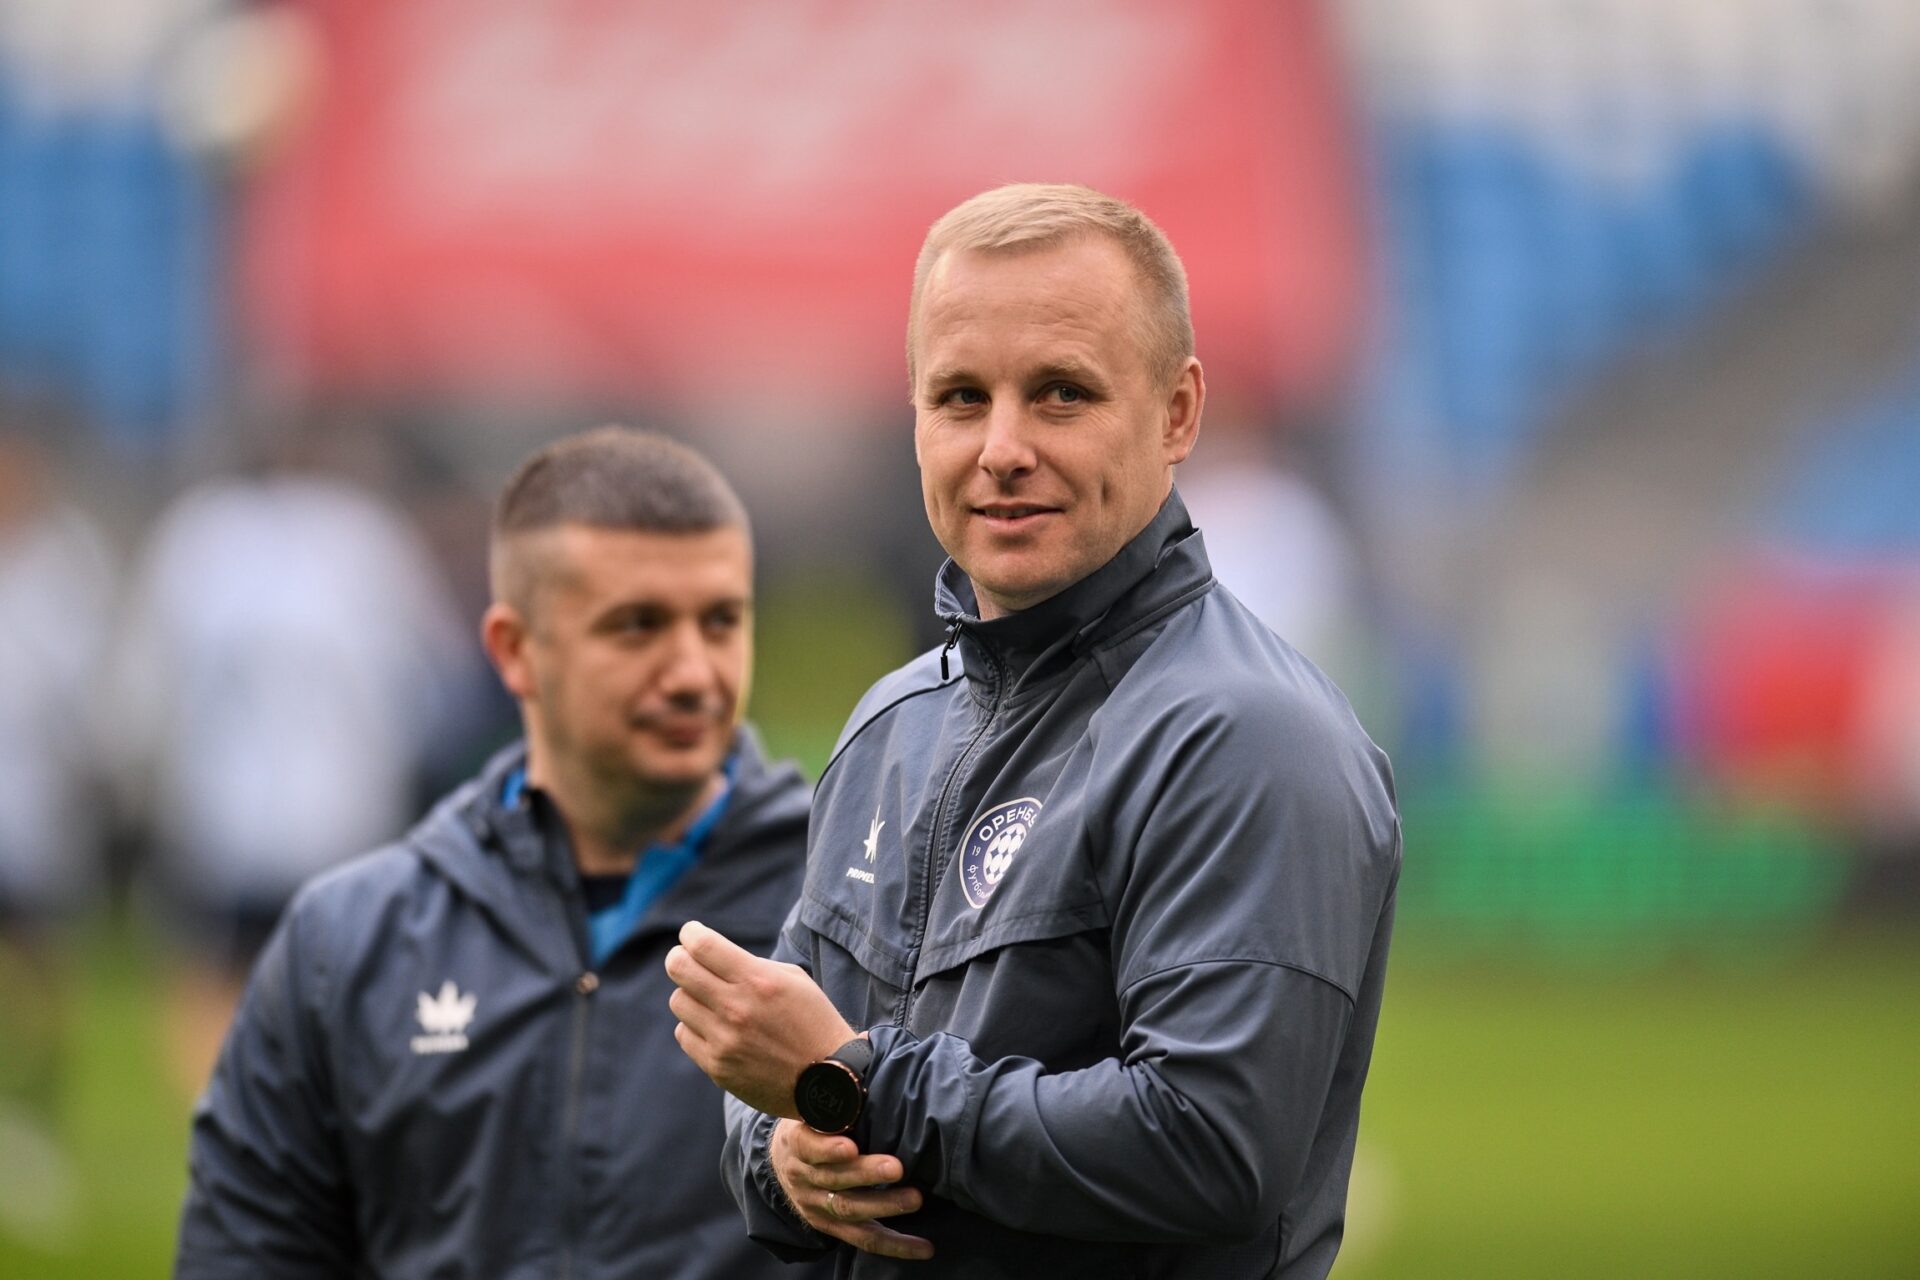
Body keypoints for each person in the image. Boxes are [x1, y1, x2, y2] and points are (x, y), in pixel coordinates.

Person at [666, 184, 1402, 1278]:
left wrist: (857, 1086)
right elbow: (786, 1076)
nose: (1002, 447)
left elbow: (1208, 1148)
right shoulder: (889, 727)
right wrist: (783, 1153)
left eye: (1061, 393)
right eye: (962, 397)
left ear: (1177, 413)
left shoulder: (1249, 739)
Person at [176, 427, 829, 1280]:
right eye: (637, 626)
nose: (693, 672)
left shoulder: (847, 908)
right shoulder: (348, 945)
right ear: (515, 651)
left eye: (721, 622)